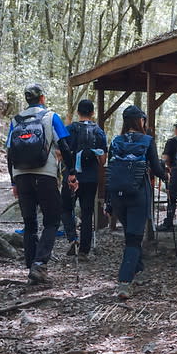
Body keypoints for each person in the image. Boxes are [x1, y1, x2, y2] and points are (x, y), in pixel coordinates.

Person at [6, 83, 78, 285]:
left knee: (29, 223)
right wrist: (71, 173)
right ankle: (39, 264)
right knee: (52, 221)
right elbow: (64, 145)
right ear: (43, 98)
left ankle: (32, 266)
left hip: (21, 176)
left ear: (27, 99)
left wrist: (13, 181)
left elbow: (10, 152)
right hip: (45, 175)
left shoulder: (16, 120)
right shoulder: (50, 117)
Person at [106, 105, 168, 299]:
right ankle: (124, 282)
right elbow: (157, 169)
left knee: (130, 234)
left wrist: (108, 202)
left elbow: (110, 171)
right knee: (133, 239)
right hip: (139, 195)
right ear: (140, 121)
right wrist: (166, 176)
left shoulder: (116, 141)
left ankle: (138, 271)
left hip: (117, 196)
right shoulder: (147, 140)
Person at [61, 99, 107, 261]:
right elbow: (102, 160)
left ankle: (73, 238)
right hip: (90, 178)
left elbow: (60, 154)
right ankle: (84, 252)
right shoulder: (99, 132)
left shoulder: (69, 129)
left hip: (71, 177)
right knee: (87, 213)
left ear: (78, 112)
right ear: (92, 113)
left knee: (66, 208)